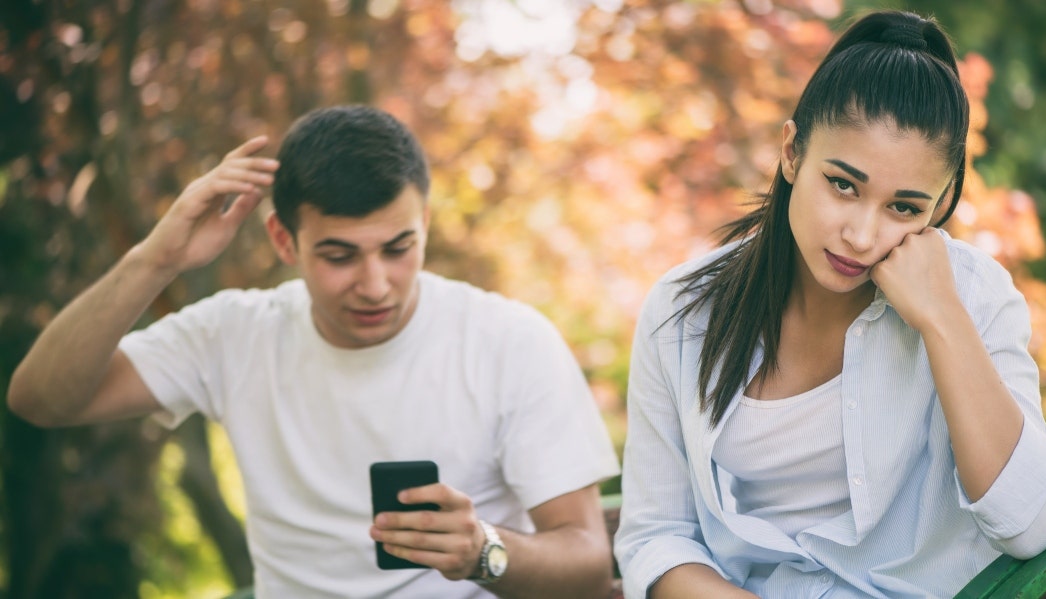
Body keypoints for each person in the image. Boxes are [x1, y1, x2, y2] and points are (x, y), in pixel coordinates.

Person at [8, 105, 620, 598]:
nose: (376, 284)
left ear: (425, 222)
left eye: (399, 247)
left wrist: (483, 549)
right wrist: (157, 260)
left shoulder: (509, 340)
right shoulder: (234, 334)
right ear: (283, 239)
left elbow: (589, 563)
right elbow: (41, 400)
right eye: (339, 256)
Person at [613, 10, 1046, 599]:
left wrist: (942, 319)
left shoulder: (975, 296)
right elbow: (655, 536)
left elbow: (1030, 526)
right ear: (792, 152)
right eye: (843, 184)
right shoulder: (685, 312)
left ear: (940, 205)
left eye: (904, 208)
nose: (861, 234)